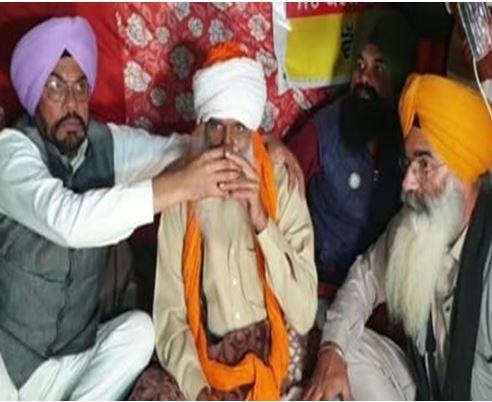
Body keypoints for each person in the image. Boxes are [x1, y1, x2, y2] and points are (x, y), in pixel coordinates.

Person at [0, 18, 301, 400]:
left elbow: (179, 149)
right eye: (55, 87)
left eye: (80, 87)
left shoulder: (104, 144)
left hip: (73, 360)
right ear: (33, 94)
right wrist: (180, 186)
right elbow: (68, 221)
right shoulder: (11, 152)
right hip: (10, 363)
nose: (71, 103)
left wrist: (254, 140)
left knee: (139, 332)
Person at [303, 74, 492, 400]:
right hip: (427, 388)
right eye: (409, 162)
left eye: (424, 164)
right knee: (342, 343)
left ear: (463, 171)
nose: (407, 183)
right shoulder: (416, 226)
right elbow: (365, 279)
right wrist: (332, 351)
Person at [147, 43, 317, 401]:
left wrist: (261, 221)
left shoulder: (282, 183)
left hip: (279, 349)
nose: (226, 145)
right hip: (208, 358)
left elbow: (303, 314)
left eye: (238, 128)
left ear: (253, 129)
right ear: (202, 128)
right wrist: (199, 390)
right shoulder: (181, 189)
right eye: (216, 127)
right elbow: (170, 314)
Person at [286, 8, 417, 286]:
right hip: (320, 283)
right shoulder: (324, 130)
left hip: (379, 287)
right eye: (360, 65)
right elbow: (279, 185)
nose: (364, 79)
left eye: (378, 68)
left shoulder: (411, 141)